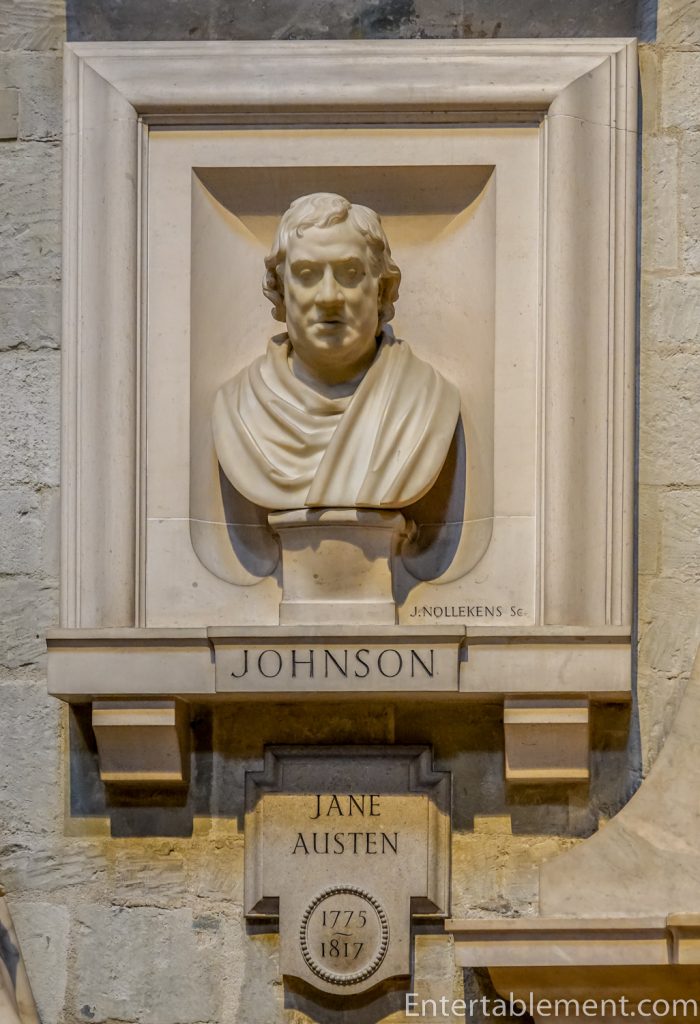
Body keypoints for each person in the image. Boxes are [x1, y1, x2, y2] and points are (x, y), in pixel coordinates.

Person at [212, 192, 461, 511]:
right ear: (282, 292)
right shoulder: (238, 406)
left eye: (350, 273)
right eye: (306, 275)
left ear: (381, 290)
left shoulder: (424, 398)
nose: (329, 297)